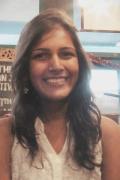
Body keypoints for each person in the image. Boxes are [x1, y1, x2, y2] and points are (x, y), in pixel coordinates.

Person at [0, 8, 120, 180]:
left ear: (79, 64)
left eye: (66, 54)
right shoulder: (5, 134)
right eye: (41, 56)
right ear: (26, 68)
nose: (56, 65)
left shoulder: (108, 134)